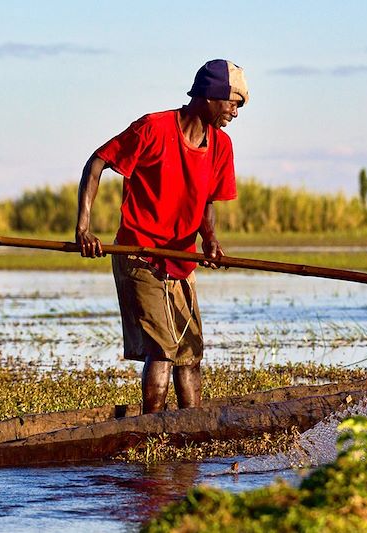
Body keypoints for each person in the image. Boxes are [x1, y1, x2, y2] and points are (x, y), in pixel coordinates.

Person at [75, 59, 248, 414]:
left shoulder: (221, 146)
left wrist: (209, 239)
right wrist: (84, 229)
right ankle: (153, 430)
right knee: (164, 350)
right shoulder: (153, 129)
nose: (235, 111)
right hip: (138, 255)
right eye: (233, 102)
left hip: (181, 259)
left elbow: (204, 201)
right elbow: (96, 163)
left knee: (190, 352)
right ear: (210, 96)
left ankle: (191, 429)